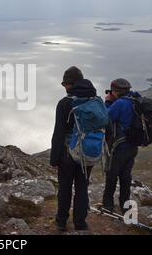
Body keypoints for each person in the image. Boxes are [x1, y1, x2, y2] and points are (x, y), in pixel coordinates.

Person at [50, 66, 97, 231]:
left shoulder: (64, 104)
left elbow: (59, 132)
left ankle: (61, 222)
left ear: (71, 84)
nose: (65, 88)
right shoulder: (94, 101)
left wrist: (54, 158)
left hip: (67, 154)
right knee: (82, 187)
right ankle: (80, 223)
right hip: (88, 153)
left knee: (64, 188)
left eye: (66, 84)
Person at [102, 78, 141, 213]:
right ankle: (125, 207)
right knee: (126, 176)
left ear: (115, 91)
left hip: (119, 147)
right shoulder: (136, 98)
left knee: (112, 175)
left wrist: (107, 102)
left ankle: (107, 206)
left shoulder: (120, 104)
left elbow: (105, 118)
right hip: (133, 146)